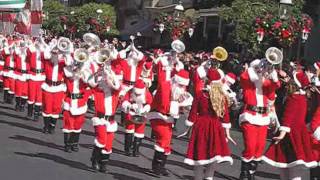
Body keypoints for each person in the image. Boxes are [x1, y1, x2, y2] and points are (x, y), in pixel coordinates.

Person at [262, 69, 318, 180]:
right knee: (292, 165)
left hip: (290, 135)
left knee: (289, 165)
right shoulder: (303, 98)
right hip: (299, 134)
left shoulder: (293, 98)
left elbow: (288, 117)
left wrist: (282, 134)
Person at [184, 68, 235, 180]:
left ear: (207, 80)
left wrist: (188, 127)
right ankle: (209, 177)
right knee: (213, 155)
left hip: (201, 126)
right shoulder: (222, 96)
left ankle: (198, 178)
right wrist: (227, 132)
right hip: (216, 126)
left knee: (199, 154)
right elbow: (225, 117)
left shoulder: (200, 94)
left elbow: (193, 113)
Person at [238, 58, 281, 180]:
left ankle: (251, 173)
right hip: (250, 116)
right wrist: (256, 68)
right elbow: (244, 77)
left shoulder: (266, 83)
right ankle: (244, 174)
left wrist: (272, 73)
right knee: (250, 146)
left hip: (263, 117)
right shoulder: (248, 83)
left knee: (259, 147)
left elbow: (275, 86)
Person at [147, 67, 193, 176]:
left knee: (167, 143)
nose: (183, 88)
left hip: (168, 118)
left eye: (184, 86)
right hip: (158, 116)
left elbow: (176, 106)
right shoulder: (165, 86)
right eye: (181, 86)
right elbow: (165, 105)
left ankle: (161, 166)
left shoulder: (178, 89)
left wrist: (185, 107)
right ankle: (156, 167)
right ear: (176, 81)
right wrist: (180, 104)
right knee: (163, 140)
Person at [41, 38, 67, 134]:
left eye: (57, 50)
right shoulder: (48, 60)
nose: (56, 52)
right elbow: (46, 53)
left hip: (59, 87)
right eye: (54, 50)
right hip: (48, 86)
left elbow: (69, 60)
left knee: (56, 108)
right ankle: (46, 126)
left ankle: (52, 126)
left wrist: (65, 48)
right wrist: (51, 44)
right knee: (47, 107)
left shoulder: (62, 62)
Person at [121, 79, 153, 156]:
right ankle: (127, 149)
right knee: (129, 130)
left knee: (139, 132)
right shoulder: (130, 92)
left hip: (141, 114)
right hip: (131, 113)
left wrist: (146, 108)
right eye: (136, 94)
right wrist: (130, 106)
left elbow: (150, 103)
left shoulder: (147, 94)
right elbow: (124, 102)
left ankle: (136, 149)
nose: (138, 95)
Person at [26, 38, 45, 121]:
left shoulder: (44, 52)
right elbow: (28, 52)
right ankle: (29, 112)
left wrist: (43, 43)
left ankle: (36, 114)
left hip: (41, 76)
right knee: (31, 94)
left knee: (39, 97)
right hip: (33, 75)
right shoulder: (31, 51)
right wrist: (32, 43)